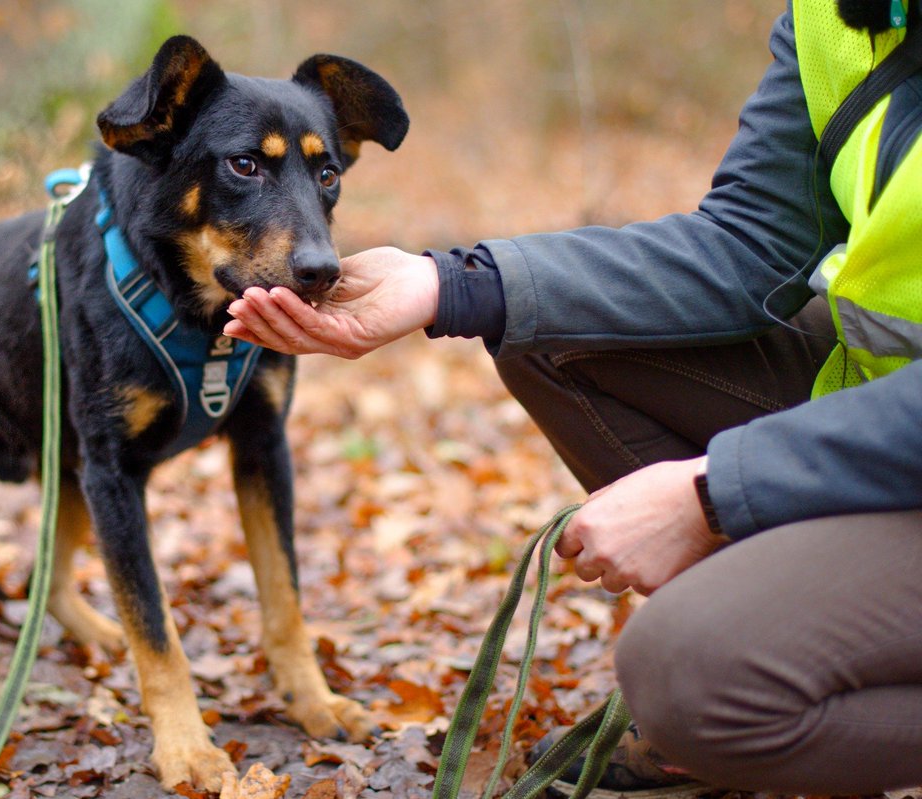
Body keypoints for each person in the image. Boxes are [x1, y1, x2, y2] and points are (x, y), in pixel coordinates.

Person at [225, 0, 922, 794]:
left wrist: (715, 490)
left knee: (690, 679)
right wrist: (450, 284)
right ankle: (794, 637)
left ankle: (750, 671)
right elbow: (749, 243)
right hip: (881, 428)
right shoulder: (842, 16)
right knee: (549, 325)